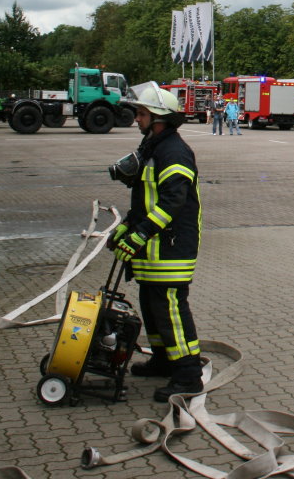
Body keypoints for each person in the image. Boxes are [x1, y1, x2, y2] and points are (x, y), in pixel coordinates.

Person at [107, 82, 205, 401]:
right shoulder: (153, 147)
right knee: (152, 307)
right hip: (154, 248)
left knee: (170, 310)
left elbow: (172, 202)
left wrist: (140, 234)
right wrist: (127, 226)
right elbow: (145, 200)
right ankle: (163, 360)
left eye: (141, 114)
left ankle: (188, 375)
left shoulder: (173, 152)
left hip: (171, 248)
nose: (136, 119)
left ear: (158, 118)